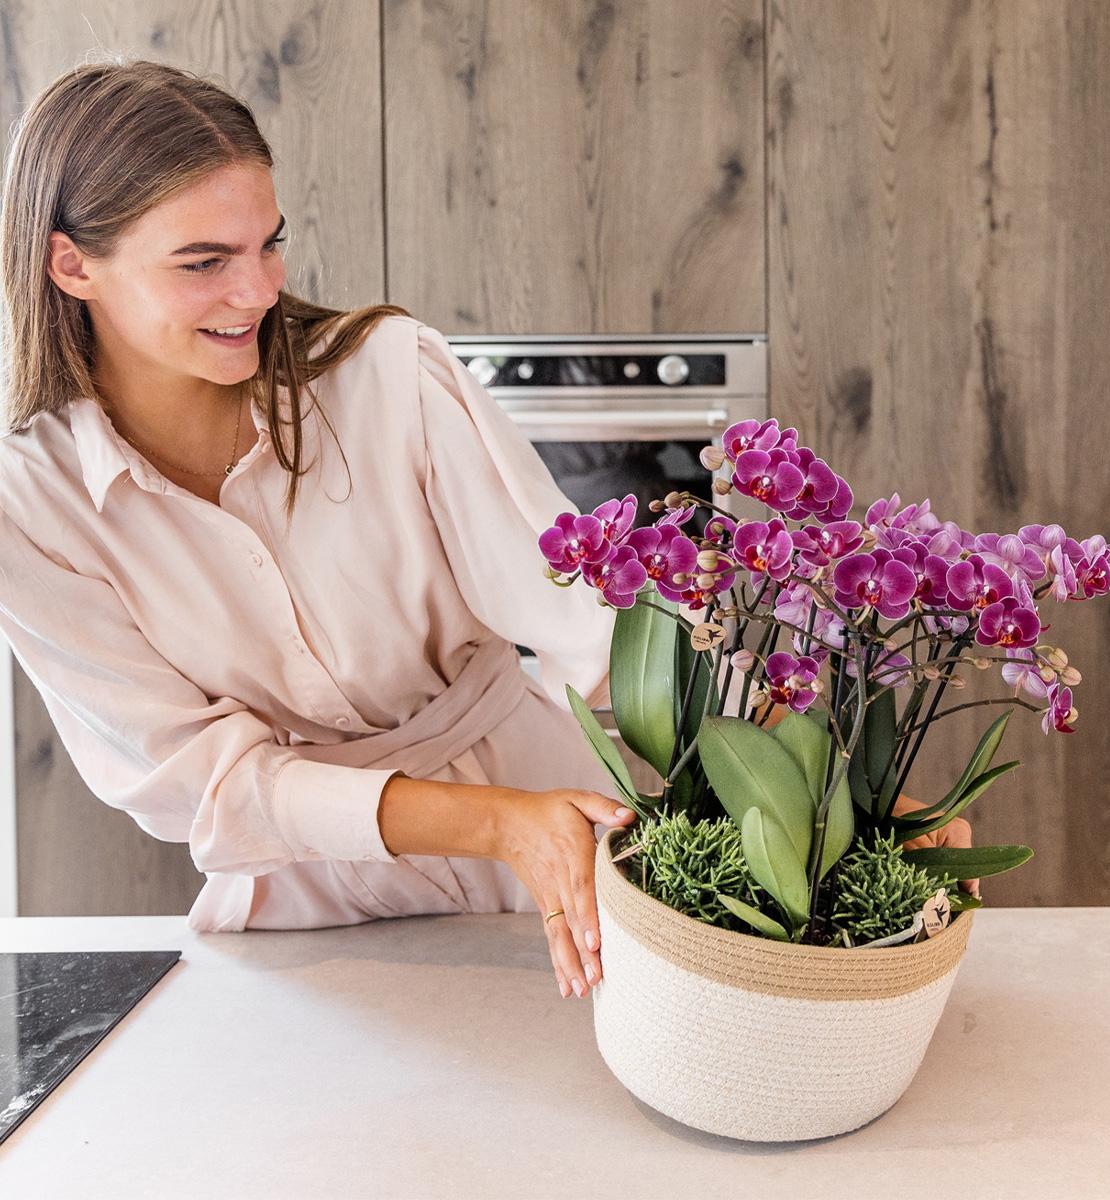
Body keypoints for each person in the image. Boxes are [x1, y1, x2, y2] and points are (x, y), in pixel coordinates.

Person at [0, 57, 636, 1003]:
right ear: (71, 264)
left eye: (268, 244)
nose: (258, 290)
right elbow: (206, 786)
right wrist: (494, 824)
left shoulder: (390, 376)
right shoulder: (29, 507)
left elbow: (599, 630)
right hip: (308, 908)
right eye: (204, 262)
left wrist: (810, 773)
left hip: (569, 830)